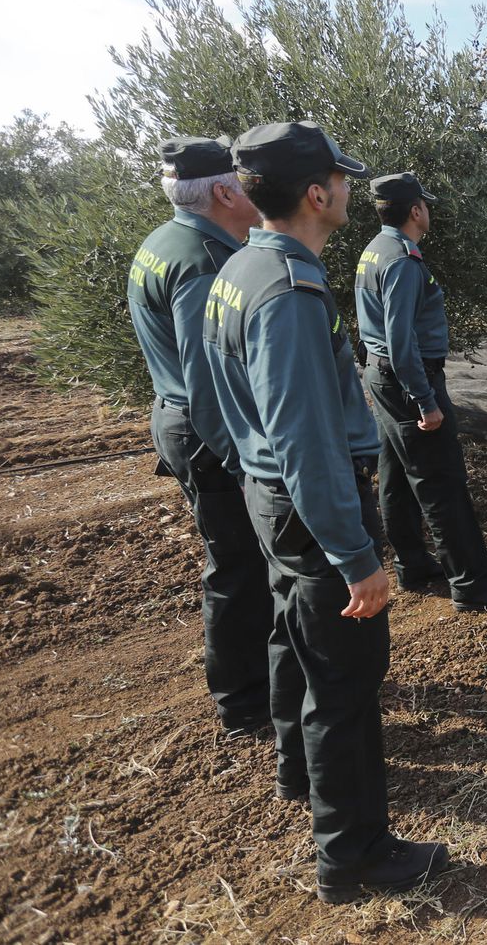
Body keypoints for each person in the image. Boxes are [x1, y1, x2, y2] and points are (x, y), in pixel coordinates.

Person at [202, 121, 447, 904]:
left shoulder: (240, 267)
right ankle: (356, 854)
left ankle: (297, 777)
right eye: (340, 179)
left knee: (293, 644)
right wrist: (356, 557)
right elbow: (306, 442)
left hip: (271, 500)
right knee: (345, 687)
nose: (348, 189)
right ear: (317, 193)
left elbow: (221, 407)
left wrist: (257, 483)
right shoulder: (291, 293)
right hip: (314, 508)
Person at [127, 135, 273, 739]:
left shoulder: (164, 243)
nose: (250, 188)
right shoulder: (204, 262)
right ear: (221, 192)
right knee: (238, 567)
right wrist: (245, 465)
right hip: (208, 432)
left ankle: (258, 681)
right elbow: (208, 377)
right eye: (241, 178)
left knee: (236, 561)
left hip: (177, 418)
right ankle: (244, 704)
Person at [354, 172, 487, 611]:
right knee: (441, 481)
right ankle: (471, 586)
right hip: (410, 379)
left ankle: (412, 565)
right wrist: (425, 400)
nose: (428, 211)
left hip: (382, 376)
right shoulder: (403, 261)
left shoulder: (374, 250)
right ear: (415, 211)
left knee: (394, 476)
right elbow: (401, 337)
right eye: (425, 204)